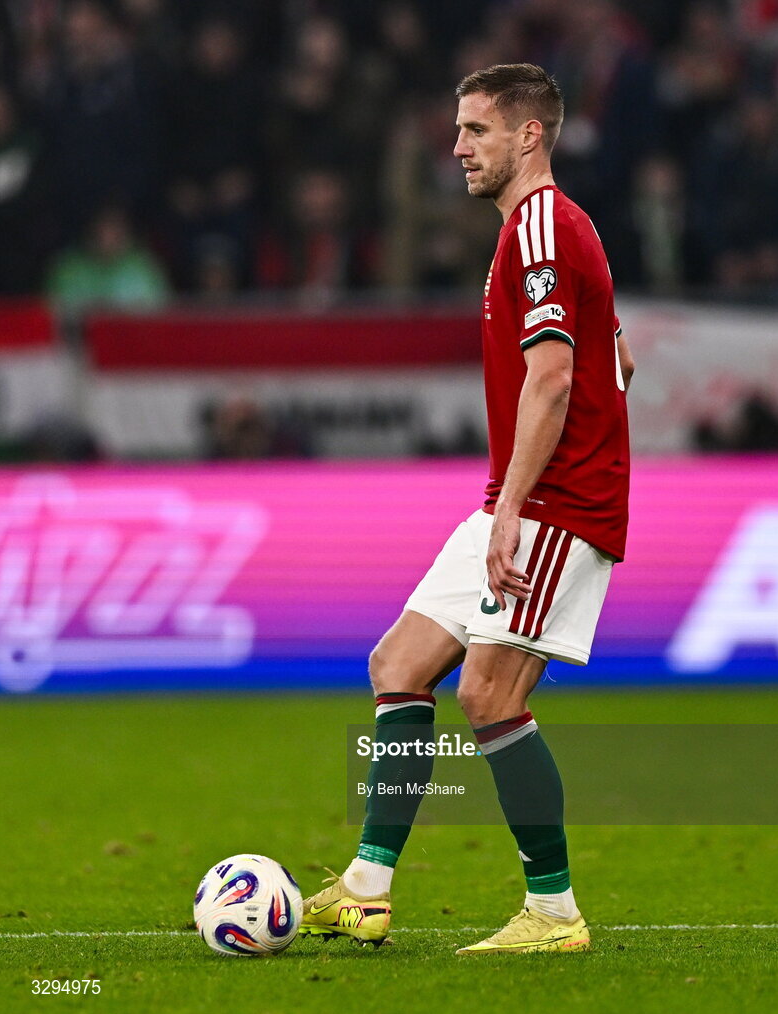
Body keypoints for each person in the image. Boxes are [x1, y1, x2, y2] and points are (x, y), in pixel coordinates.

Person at [299, 63, 634, 955]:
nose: (455, 147)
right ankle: (367, 887)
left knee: (488, 692)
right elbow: (615, 356)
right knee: (399, 663)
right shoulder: (551, 229)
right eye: (457, 130)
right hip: (519, 500)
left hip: (553, 506)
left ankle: (554, 914)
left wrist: (518, 506)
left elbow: (557, 375)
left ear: (529, 135)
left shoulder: (539, 226)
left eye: (475, 130)